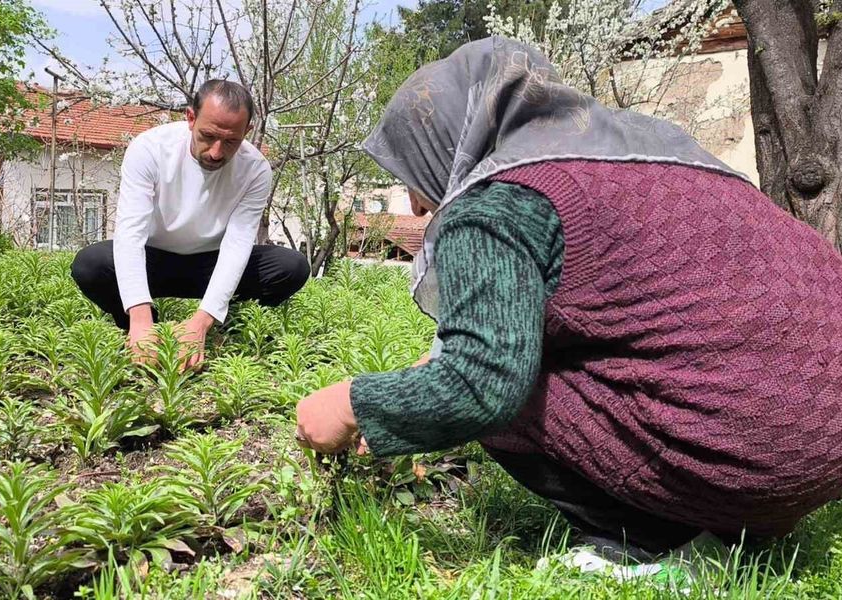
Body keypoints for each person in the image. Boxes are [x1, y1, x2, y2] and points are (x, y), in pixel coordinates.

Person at [294, 36, 842, 564]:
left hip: (758, 458)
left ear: (449, 146)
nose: (417, 206)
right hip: (821, 444)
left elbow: (481, 383)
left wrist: (351, 405)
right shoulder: (645, 153)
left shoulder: (495, 204)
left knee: (506, 392)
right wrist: (416, 388)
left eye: (414, 174)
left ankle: (652, 543)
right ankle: (731, 522)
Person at [71, 80, 310, 368]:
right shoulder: (149, 149)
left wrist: (202, 320)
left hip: (211, 263)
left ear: (247, 132)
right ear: (190, 118)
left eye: (231, 141)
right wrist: (140, 317)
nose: (216, 152)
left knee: (291, 267)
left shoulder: (256, 168)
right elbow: (130, 235)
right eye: (208, 136)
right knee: (91, 264)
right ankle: (146, 330)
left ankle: (217, 319)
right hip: (155, 259)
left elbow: (238, 243)